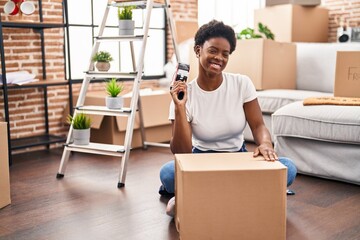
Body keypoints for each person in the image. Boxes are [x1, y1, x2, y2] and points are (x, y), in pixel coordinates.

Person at [159, 20, 297, 217]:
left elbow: (258, 125)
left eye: (225, 54)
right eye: (213, 51)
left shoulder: (241, 83)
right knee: (167, 174)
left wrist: (266, 144)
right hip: (201, 160)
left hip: (238, 157)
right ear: (198, 50)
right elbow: (182, 152)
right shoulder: (183, 94)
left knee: (288, 168)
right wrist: (180, 108)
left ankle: (195, 195)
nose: (219, 58)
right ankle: (244, 194)